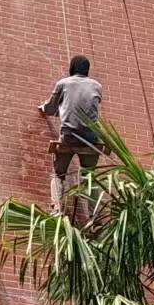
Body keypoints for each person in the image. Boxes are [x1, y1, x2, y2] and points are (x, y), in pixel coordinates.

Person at [38, 55, 102, 215]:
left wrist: (43, 109)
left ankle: (58, 209)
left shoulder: (63, 84)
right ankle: (94, 216)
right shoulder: (96, 86)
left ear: (71, 68)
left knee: (58, 173)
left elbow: (51, 108)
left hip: (69, 135)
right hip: (90, 138)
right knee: (89, 177)